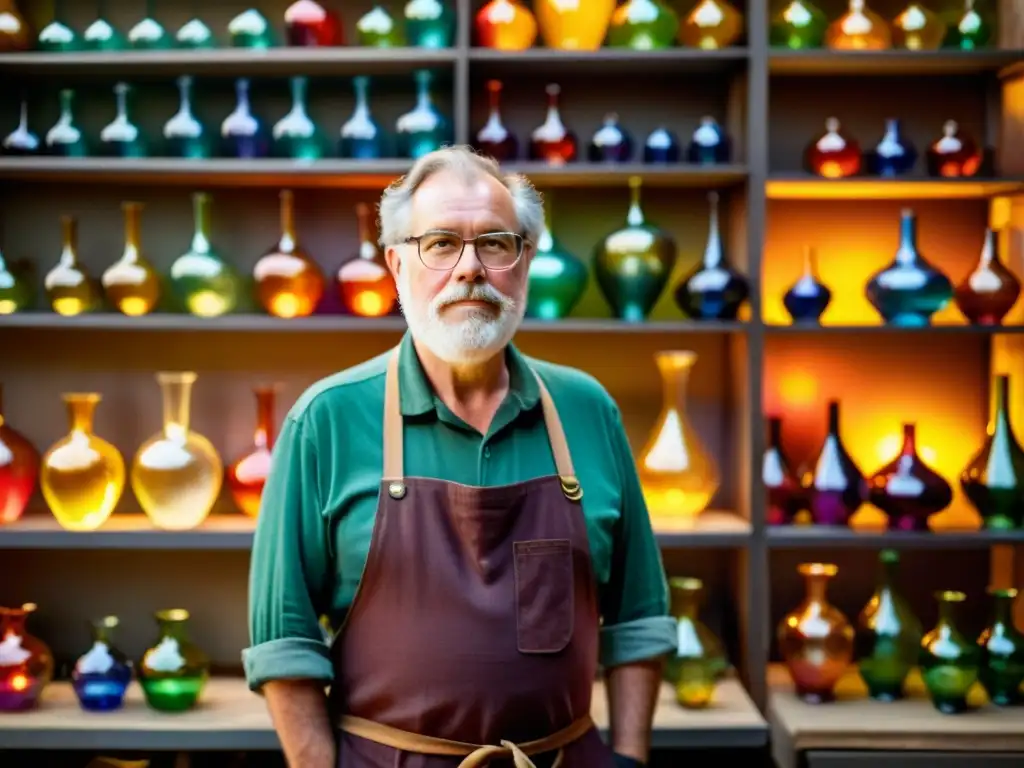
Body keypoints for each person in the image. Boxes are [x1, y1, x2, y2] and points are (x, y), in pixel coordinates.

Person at [244, 145, 676, 768]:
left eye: (496, 242)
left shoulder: (588, 411)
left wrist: (629, 757)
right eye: (441, 243)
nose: (470, 267)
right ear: (396, 265)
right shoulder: (326, 420)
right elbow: (282, 641)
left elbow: (639, 619)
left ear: (524, 262)